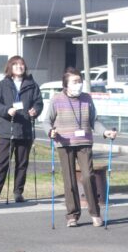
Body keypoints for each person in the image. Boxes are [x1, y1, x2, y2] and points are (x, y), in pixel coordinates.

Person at [46, 67, 117, 227]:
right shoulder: (56, 99)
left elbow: (94, 121)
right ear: (66, 84)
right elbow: (47, 121)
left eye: (80, 81)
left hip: (84, 142)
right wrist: (50, 131)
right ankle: (72, 215)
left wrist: (105, 132)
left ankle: (95, 213)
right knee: (69, 179)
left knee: (88, 176)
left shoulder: (87, 98)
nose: (78, 84)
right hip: (64, 143)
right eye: (75, 82)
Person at [0, 56, 43, 203]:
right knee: (2, 163)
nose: (19, 67)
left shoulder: (32, 85)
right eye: (16, 64)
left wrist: (35, 111)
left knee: (22, 163)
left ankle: (18, 192)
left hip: (25, 130)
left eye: (22, 64)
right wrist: (7, 110)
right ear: (10, 67)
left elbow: (39, 103)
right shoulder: (2, 85)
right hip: (8, 130)